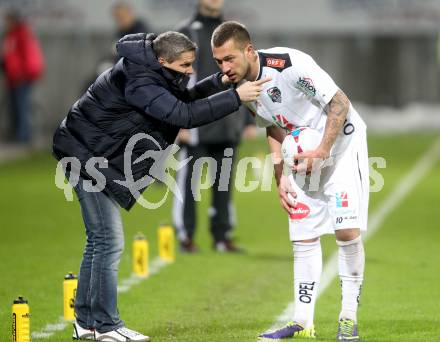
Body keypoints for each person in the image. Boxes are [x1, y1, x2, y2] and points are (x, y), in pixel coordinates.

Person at [53, 31, 269, 341]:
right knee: (108, 242)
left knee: (99, 241)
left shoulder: (152, 69)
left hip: (92, 153)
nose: (190, 72)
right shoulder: (140, 82)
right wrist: (236, 97)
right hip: (84, 156)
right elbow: (184, 114)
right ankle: (106, 326)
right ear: (163, 61)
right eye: (185, 66)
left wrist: (219, 84)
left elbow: (180, 98)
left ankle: (86, 323)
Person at [211, 22, 368, 341]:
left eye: (229, 59)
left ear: (249, 51)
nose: (225, 68)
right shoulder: (243, 88)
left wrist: (323, 150)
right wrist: (281, 177)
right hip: (300, 153)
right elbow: (272, 126)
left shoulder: (290, 65)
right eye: (218, 62)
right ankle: (301, 322)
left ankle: (348, 317)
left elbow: (340, 103)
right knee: (304, 234)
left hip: (340, 145)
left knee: (346, 230)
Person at [173, 0, 256, 253]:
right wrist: (178, 120)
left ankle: (222, 236)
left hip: (228, 120)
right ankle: (185, 235)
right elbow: (175, 78)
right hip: (195, 122)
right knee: (189, 183)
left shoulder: (234, 31)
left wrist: (249, 119)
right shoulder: (186, 32)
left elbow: (246, 73)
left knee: (223, 184)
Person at [1, 9, 44, 143]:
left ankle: (24, 136)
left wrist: (23, 73)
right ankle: (17, 134)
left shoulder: (21, 34)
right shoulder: (11, 35)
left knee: (22, 106)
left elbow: (27, 56)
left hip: (22, 77)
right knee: (15, 107)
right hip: (13, 77)